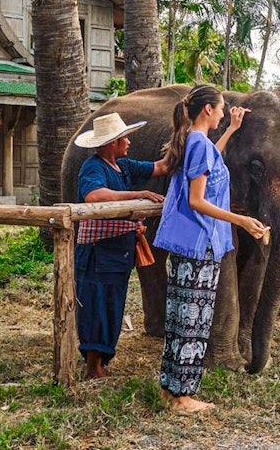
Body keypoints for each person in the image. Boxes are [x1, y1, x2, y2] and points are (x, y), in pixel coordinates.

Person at [154, 85, 268, 416]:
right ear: (207, 110)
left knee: (179, 318)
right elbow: (197, 200)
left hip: (187, 244)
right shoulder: (198, 144)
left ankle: (170, 389)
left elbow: (208, 164)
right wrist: (242, 220)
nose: (222, 114)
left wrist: (232, 129)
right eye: (220, 110)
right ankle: (183, 398)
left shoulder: (195, 141)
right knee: (193, 321)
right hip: (199, 243)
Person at [73, 112, 168, 380]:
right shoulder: (93, 168)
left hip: (118, 251)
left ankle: (101, 360)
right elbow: (94, 195)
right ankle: (93, 365)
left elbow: (160, 167)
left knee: (113, 303)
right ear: (112, 143)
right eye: (124, 138)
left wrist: (184, 138)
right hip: (98, 251)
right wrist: (138, 195)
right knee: (96, 304)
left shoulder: (123, 167)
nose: (129, 143)